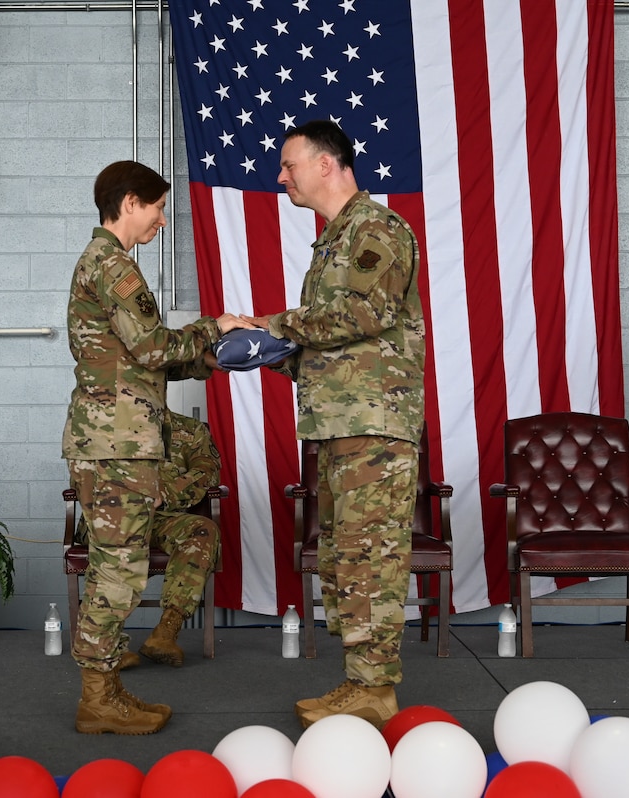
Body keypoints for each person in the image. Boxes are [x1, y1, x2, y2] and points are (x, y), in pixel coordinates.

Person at [245, 120, 426, 729]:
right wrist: (259, 348)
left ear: (327, 164)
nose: (281, 176)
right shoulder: (334, 242)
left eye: (288, 163)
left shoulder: (376, 229)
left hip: (374, 427)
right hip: (342, 423)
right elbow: (328, 345)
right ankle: (360, 683)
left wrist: (276, 325)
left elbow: (365, 312)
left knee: (370, 556)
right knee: (345, 557)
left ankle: (375, 690)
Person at [62, 160, 250, 735]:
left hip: (116, 439)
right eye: (158, 207)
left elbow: (142, 353)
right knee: (119, 571)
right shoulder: (114, 266)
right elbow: (150, 345)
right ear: (129, 203)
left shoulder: (105, 263)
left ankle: (107, 689)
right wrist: (215, 326)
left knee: (116, 566)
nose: (162, 221)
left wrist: (211, 358)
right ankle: (97, 697)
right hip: (118, 444)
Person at [110, 408, 222, 670]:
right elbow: (85, 475)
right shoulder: (109, 425)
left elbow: (207, 471)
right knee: (119, 538)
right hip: (115, 516)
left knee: (203, 529)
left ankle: (165, 633)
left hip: (165, 516)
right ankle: (108, 642)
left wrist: (164, 492)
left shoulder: (191, 430)